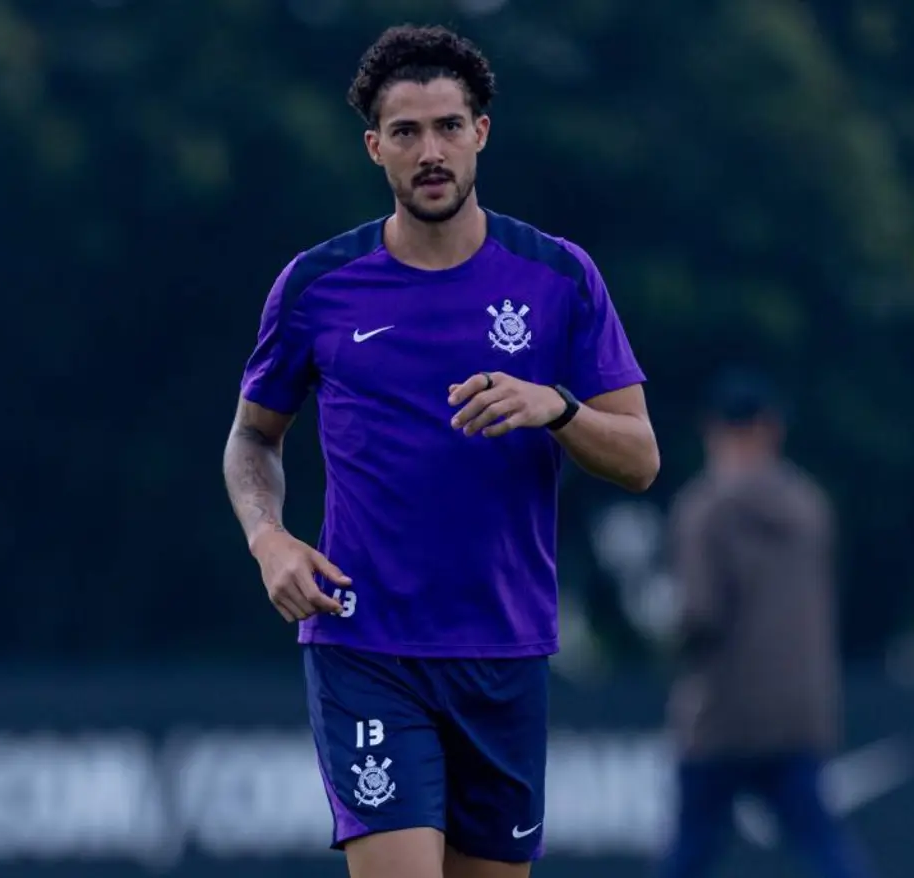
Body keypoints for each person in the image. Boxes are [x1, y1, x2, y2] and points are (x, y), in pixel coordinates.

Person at [221, 23, 659, 878]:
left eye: (449, 127)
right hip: (367, 644)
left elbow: (641, 458)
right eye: (408, 132)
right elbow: (251, 438)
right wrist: (266, 537)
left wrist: (557, 407)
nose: (431, 151)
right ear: (374, 146)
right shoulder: (317, 285)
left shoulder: (558, 277)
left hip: (505, 651)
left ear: (481, 134)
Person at [658, 369, 874, 878]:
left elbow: (699, 615)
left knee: (689, 853)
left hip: (722, 713)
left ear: (714, 430)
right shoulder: (809, 507)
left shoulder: (702, 509)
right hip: (797, 710)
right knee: (826, 848)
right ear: (772, 429)